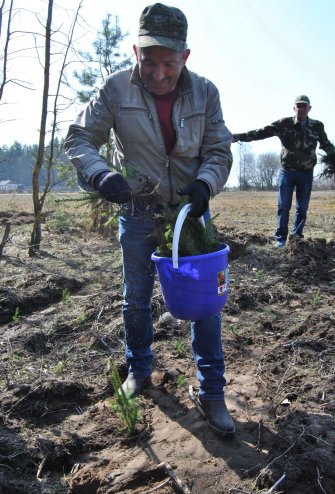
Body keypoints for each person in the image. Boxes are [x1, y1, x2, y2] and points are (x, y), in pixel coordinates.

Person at [65, 3, 234, 435]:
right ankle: (139, 369)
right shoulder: (115, 89)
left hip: (191, 216)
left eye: (169, 64)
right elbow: (80, 137)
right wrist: (102, 175)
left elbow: (218, 149)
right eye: (149, 62)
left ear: (186, 57)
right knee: (135, 297)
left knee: (206, 305)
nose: (159, 74)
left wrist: (205, 185)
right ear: (134, 51)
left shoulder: (206, 92)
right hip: (139, 213)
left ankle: (212, 391)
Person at [232, 95, 335, 248]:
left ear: (309, 108)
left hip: (306, 173)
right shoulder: (284, 124)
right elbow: (262, 132)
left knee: (302, 208)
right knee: (284, 206)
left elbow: (326, 145)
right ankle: (280, 239)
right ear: (294, 108)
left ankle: (296, 238)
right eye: (298, 106)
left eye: (304, 106)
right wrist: (238, 137)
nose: (301, 109)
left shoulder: (317, 126)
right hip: (287, 172)